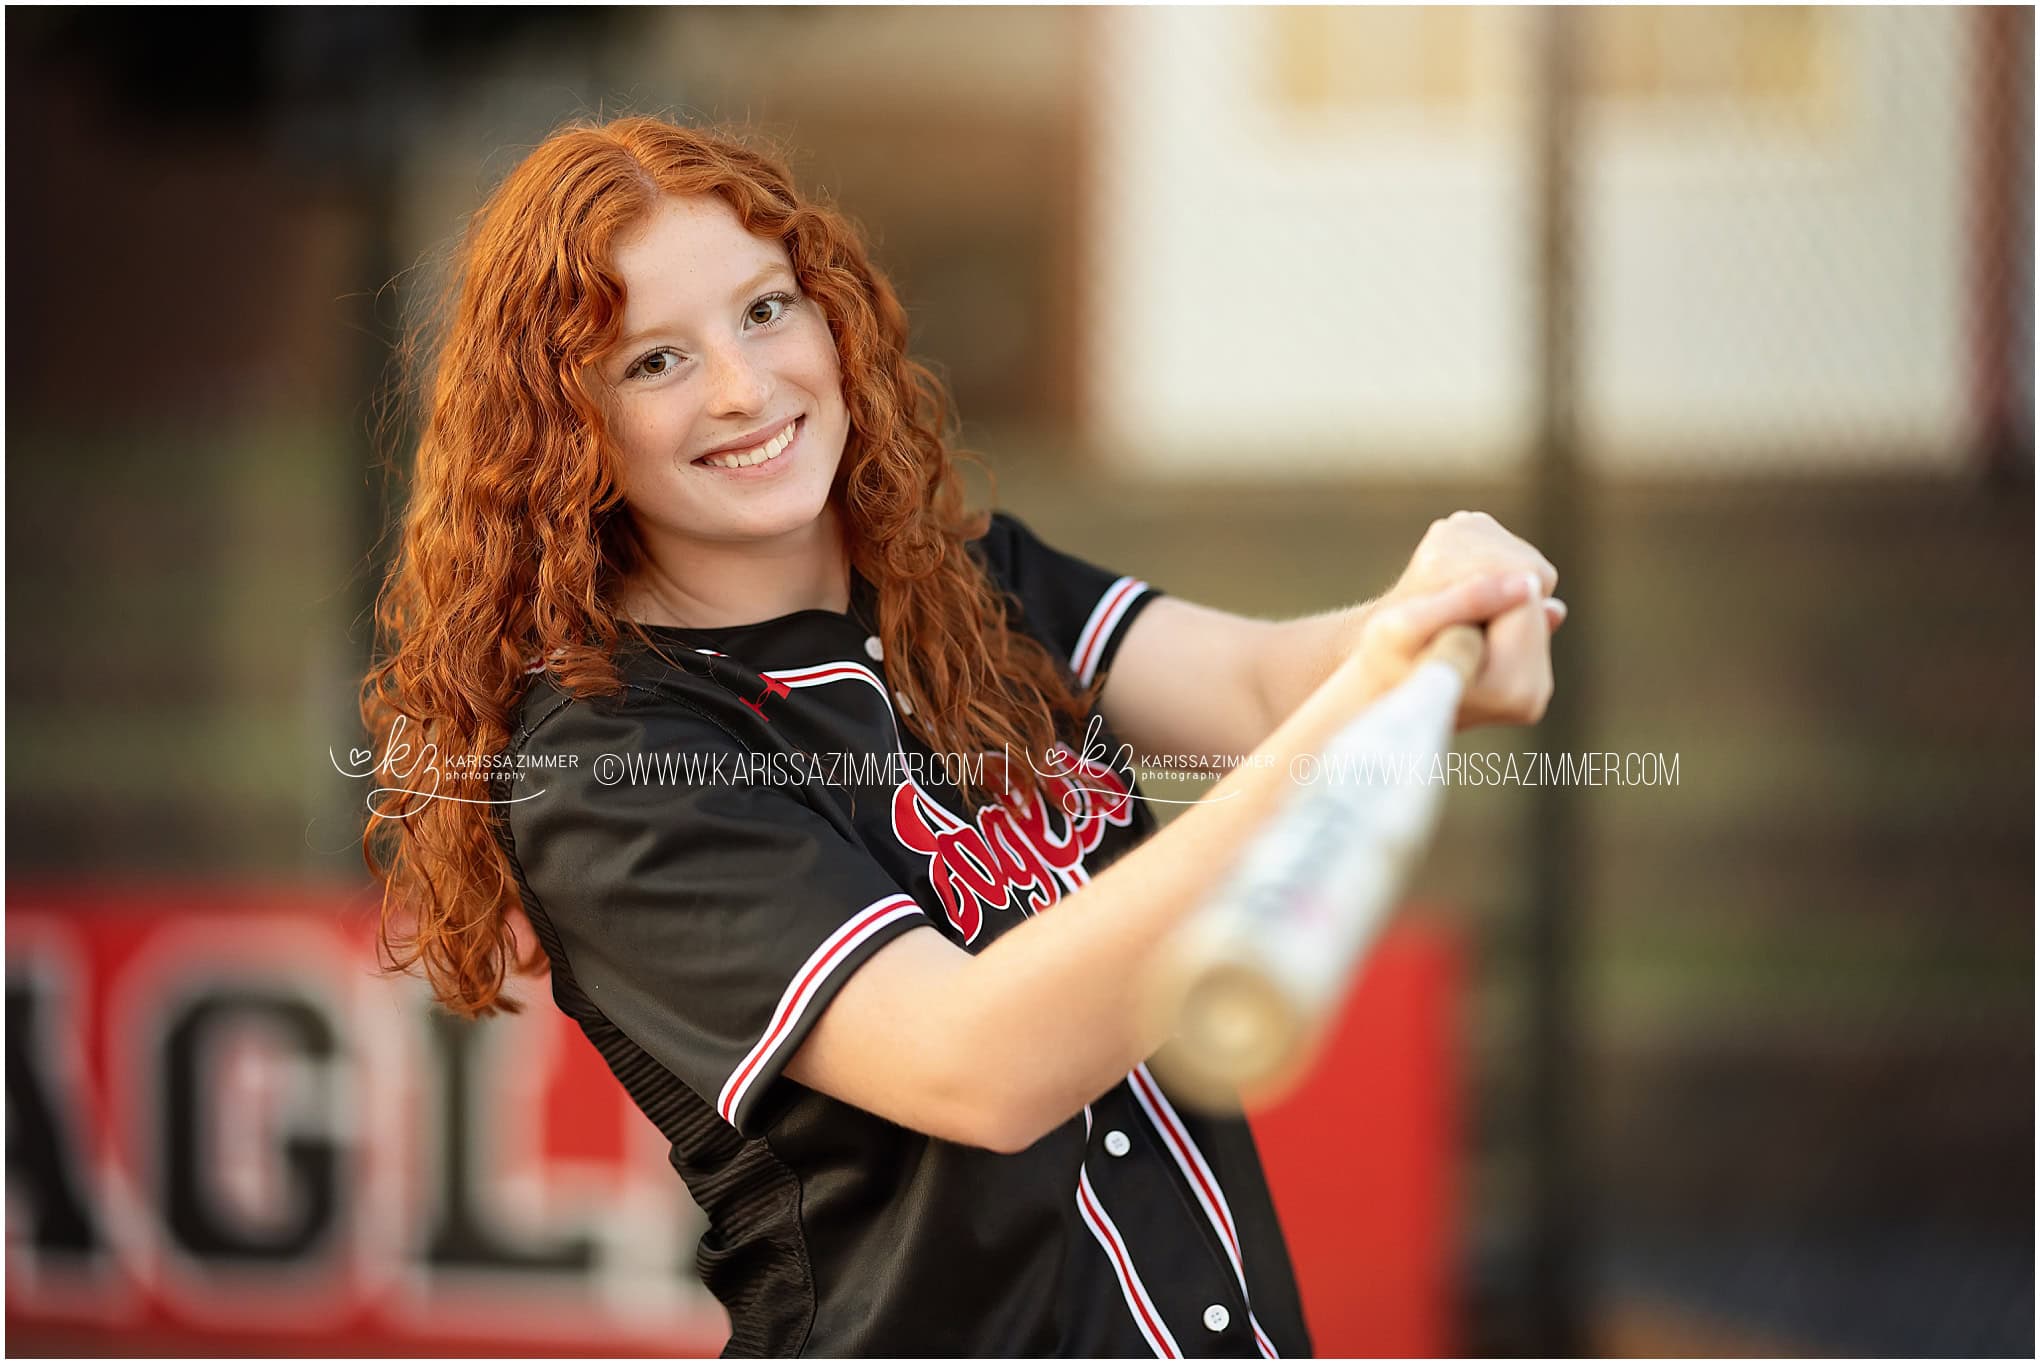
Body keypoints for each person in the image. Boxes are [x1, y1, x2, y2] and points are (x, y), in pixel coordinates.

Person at [359, 114, 1563, 1358]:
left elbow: (1261, 691)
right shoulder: (606, 762)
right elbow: (982, 1061)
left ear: (830, 313)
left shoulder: (968, 578)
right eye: (654, 360)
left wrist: (1425, 617)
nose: (742, 386)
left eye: (767, 310)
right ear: (568, 428)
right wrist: (1341, 731)